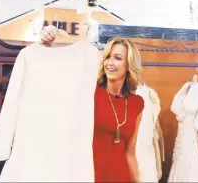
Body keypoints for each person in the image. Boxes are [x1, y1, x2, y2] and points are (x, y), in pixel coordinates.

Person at [41, 25, 144, 182]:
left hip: (120, 177)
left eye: (117, 58)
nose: (109, 62)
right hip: (88, 176)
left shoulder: (137, 103)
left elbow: (130, 153)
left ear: (129, 64)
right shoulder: (89, 92)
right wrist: (52, 38)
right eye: (108, 56)